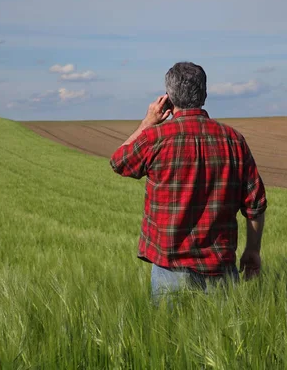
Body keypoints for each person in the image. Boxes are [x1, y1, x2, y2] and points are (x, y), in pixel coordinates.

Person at [110, 62, 267, 299]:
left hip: (169, 271)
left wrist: (147, 122)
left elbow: (118, 161)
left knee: (167, 335)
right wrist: (252, 251)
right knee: (225, 335)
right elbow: (255, 205)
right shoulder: (234, 140)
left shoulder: (155, 138)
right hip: (221, 269)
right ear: (204, 94)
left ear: (168, 99)